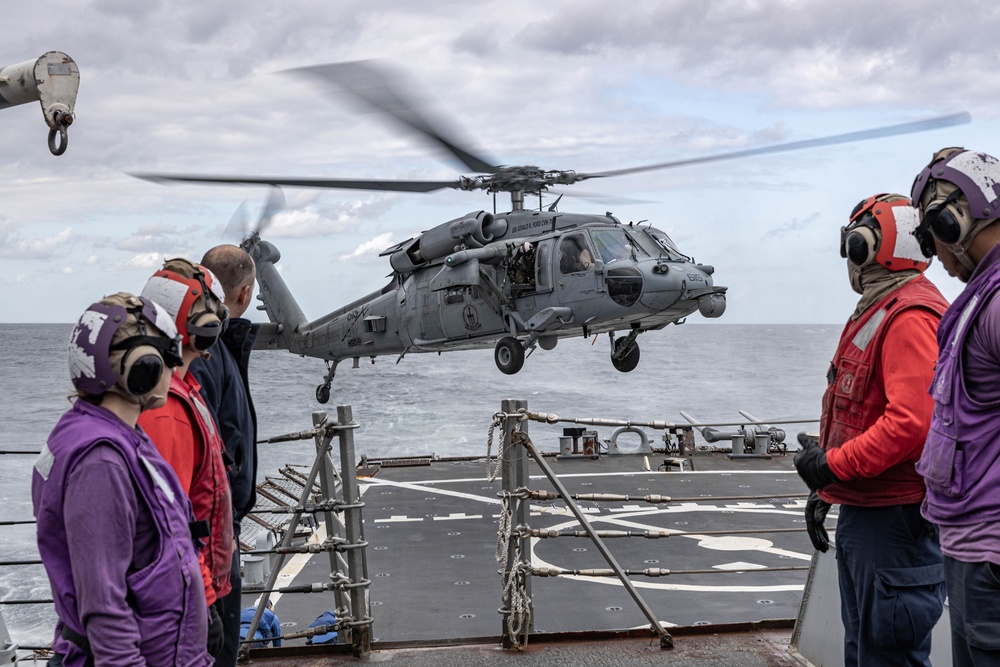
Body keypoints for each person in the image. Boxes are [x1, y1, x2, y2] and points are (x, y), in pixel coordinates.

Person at [793, 193, 949, 666]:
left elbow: (912, 424)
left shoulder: (908, 317)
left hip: (895, 521)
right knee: (865, 650)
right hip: (873, 514)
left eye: (852, 242)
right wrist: (831, 487)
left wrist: (832, 466)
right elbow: (867, 410)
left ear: (865, 247)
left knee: (887, 655)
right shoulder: (881, 308)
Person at [32, 293, 212, 667]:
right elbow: (103, 604)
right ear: (140, 367)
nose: (174, 368)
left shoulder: (111, 433)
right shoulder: (101, 462)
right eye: (166, 357)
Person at [910, 148, 1000, 666]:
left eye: (932, 234)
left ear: (955, 218)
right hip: (971, 550)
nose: (935, 255)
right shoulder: (981, 298)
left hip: (991, 558)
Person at [138, 257, 234, 657]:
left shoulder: (184, 388)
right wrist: (205, 601)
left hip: (197, 585)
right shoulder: (168, 408)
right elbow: (170, 521)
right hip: (188, 595)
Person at [188, 244, 261, 667]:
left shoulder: (213, 346)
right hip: (211, 529)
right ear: (245, 292)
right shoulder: (204, 354)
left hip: (218, 525)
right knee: (216, 651)